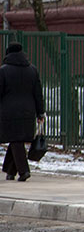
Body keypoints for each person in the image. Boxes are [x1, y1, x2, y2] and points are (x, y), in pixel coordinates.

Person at [1, 42, 46, 182]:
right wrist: (40, 113)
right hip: (28, 112)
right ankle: (10, 171)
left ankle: (24, 170)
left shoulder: (3, 71)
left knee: (15, 140)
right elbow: (38, 93)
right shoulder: (32, 70)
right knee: (17, 139)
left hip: (9, 113)